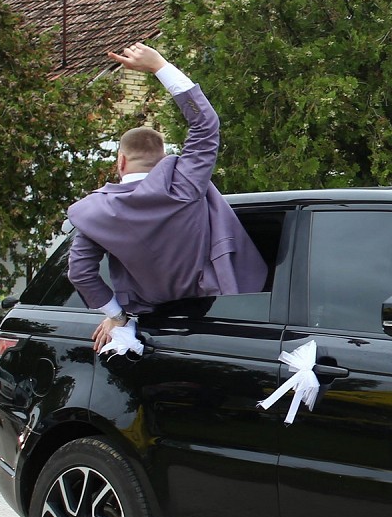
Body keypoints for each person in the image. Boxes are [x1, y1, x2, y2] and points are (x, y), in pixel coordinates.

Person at [67, 42, 266, 352]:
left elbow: (80, 272)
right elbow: (205, 124)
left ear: (121, 161)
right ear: (163, 160)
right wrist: (159, 65)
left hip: (151, 329)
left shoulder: (95, 213)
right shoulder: (185, 183)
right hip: (219, 316)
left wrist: (116, 316)